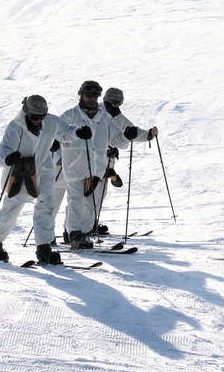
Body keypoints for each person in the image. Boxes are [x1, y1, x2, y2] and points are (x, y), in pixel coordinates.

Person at [58, 81, 154, 248]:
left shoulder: (103, 117)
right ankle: (74, 234)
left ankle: (85, 232)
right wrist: (76, 133)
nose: (92, 98)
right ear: (81, 94)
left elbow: (117, 140)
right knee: (76, 201)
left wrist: (127, 136)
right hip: (75, 166)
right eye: (89, 94)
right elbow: (60, 134)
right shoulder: (69, 115)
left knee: (92, 203)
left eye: (96, 95)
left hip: (97, 168)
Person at [0, 95, 74, 264]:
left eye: (41, 116)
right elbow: (2, 150)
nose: (37, 120)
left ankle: (44, 248)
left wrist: (78, 132)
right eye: (34, 116)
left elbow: (67, 132)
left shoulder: (51, 122)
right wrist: (7, 158)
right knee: (11, 207)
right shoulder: (15, 127)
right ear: (26, 112)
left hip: (44, 171)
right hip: (19, 172)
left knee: (46, 207)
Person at [96, 87, 157, 228]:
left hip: (107, 160)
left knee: (100, 193)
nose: (116, 105)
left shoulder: (118, 117)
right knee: (89, 192)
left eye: (119, 102)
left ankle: (92, 223)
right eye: (113, 102)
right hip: (92, 158)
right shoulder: (97, 113)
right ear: (106, 100)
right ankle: (79, 227)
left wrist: (149, 134)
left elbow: (131, 131)